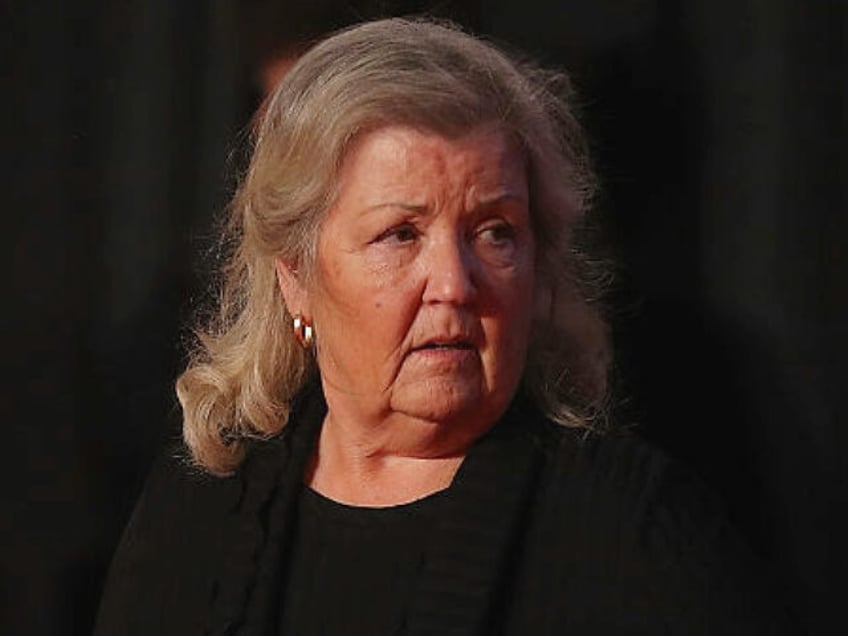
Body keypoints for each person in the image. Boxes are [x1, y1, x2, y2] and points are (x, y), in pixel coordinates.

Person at [95, 18, 796, 635]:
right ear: (296, 276)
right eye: (400, 235)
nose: (456, 284)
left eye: (495, 233)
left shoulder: (637, 531)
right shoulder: (198, 516)